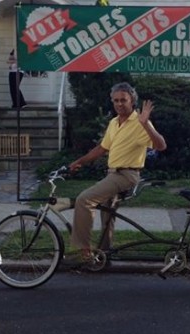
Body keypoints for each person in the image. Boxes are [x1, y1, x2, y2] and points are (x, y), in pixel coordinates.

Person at [68, 82, 167, 263]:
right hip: (112, 174)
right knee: (107, 212)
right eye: (116, 100)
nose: (119, 104)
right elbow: (101, 148)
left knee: (84, 199)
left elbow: (161, 145)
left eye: (124, 100)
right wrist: (79, 162)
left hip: (126, 175)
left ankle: (83, 251)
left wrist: (146, 125)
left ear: (132, 101)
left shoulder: (140, 122)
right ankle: (104, 255)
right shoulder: (114, 122)